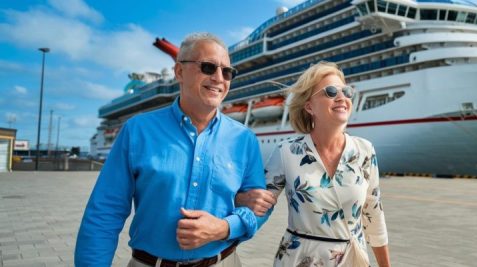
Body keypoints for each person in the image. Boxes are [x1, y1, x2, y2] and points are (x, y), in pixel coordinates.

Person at [75, 32, 275, 266]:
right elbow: (104, 213)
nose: (219, 78)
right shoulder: (138, 130)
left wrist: (223, 228)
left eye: (227, 71)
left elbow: (259, 208)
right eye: (208, 67)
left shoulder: (245, 139)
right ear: (179, 72)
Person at [236, 61, 390, 266]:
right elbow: (259, 202)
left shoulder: (364, 151)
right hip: (301, 259)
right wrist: (238, 201)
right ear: (309, 106)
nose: (342, 97)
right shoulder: (287, 152)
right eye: (331, 91)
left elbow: (374, 216)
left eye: (346, 91)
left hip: (353, 259)